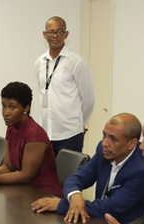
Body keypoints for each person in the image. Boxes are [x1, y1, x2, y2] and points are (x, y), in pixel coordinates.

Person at [30, 113, 144, 224]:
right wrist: (75, 195)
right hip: (98, 222)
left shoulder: (142, 170)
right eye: (104, 135)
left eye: (113, 139)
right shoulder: (103, 151)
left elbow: (111, 207)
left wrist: (61, 205)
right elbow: (77, 178)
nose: (105, 143)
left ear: (132, 143)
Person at [0, 81, 62, 197]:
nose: (6, 112)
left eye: (12, 107)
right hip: (24, 190)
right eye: (4, 106)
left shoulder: (34, 133)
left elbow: (26, 175)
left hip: (45, 194)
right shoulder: (11, 128)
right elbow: (9, 167)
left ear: (26, 108)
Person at [35, 16, 95, 156]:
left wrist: (81, 123)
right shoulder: (40, 62)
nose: (55, 36)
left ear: (66, 34)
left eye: (59, 32)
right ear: (44, 34)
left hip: (70, 134)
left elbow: (88, 98)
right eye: (51, 32)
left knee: (69, 171)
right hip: (46, 133)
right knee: (47, 171)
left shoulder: (77, 62)